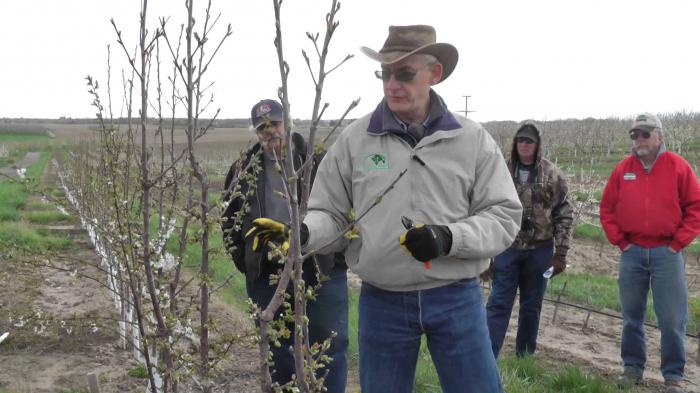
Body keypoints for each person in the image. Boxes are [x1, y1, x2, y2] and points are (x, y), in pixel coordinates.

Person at [246, 25, 522, 393]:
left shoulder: (471, 140)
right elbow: (331, 213)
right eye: (385, 74)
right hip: (383, 300)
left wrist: (448, 238)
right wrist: (305, 233)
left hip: (456, 297)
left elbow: (503, 215)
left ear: (433, 73)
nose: (392, 84)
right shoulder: (355, 142)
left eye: (404, 74)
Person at [220, 99, 349, 392]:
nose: (270, 133)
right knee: (278, 349)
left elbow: (343, 212)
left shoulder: (317, 161)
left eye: (275, 124)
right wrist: (246, 260)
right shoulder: (243, 169)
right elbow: (229, 219)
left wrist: (335, 258)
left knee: (329, 346)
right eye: (262, 128)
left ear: (288, 123)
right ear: (255, 132)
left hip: (319, 267)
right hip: (267, 273)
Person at [600, 112, 700, 393]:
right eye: (634, 134)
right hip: (632, 253)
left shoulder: (678, 166)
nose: (638, 139)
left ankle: (673, 376)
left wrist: (677, 244)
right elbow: (607, 208)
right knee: (632, 316)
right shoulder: (623, 169)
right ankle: (632, 369)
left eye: (644, 133)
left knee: (671, 318)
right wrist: (621, 242)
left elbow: (695, 207)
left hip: (666, 254)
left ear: (660, 136)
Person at [484, 122, 573, 358]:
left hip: (540, 250)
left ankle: (524, 357)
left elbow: (564, 213)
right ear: (515, 143)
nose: (524, 144)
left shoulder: (552, 174)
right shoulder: (500, 171)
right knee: (498, 303)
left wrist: (561, 254)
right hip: (506, 248)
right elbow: (485, 209)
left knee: (531, 306)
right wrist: (484, 254)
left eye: (529, 141)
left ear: (537, 145)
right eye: (520, 140)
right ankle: (487, 355)